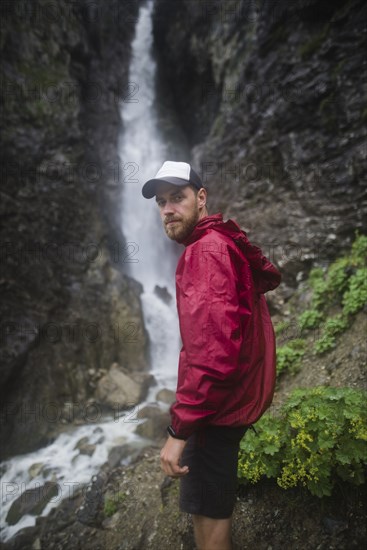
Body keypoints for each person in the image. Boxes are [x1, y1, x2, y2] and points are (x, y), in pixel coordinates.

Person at [142, 161, 281, 550]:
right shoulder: (219, 244)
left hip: (214, 412)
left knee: (211, 517)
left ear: (201, 198)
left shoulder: (206, 252)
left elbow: (213, 353)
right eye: (161, 202)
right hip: (224, 405)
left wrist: (178, 430)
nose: (168, 209)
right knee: (208, 507)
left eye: (178, 198)